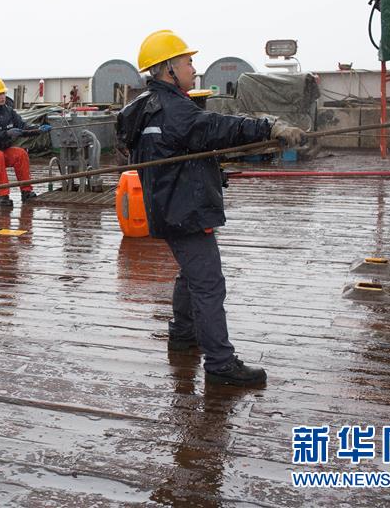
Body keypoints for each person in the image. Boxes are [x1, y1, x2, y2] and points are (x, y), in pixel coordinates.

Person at [118, 30, 305, 387]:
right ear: (168, 69)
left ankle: (183, 334)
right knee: (208, 283)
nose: (193, 68)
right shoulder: (175, 110)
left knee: (191, 273)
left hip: (167, 206)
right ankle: (220, 364)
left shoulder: (143, 106)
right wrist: (269, 127)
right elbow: (219, 127)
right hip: (185, 209)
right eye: (187, 62)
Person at [0, 77, 51, 208]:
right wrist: (6, 134)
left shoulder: (8, 111)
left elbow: (23, 127)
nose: (2, 97)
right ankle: (2, 196)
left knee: (20, 154)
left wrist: (38, 130)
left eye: (3, 93)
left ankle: (26, 192)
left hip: (0, 151)